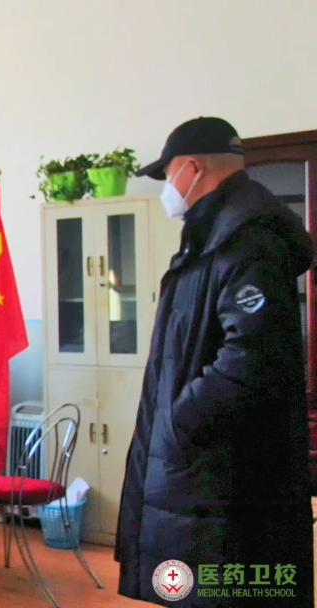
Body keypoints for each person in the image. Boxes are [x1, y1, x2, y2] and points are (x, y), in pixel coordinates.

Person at [116, 117, 314, 606]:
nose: (167, 189)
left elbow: (251, 359)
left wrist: (179, 422)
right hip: (199, 481)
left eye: (167, 176)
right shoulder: (211, 238)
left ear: (192, 168)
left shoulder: (247, 243)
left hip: (220, 482)